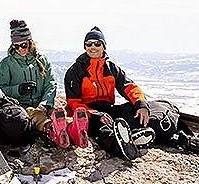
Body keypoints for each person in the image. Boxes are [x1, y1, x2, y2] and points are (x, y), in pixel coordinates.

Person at [63, 26, 155, 161]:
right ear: (84, 47)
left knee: (133, 110)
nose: (92, 47)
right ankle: (120, 146)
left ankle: (131, 137)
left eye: (97, 43)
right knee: (102, 128)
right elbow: (73, 103)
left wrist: (141, 104)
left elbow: (129, 87)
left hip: (108, 109)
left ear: (103, 46)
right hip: (88, 114)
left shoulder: (111, 68)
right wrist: (96, 114)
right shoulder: (75, 71)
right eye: (88, 44)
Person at [0, 19, 74, 148]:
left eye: (23, 45)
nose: (20, 49)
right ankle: (51, 130)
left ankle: (72, 129)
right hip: (21, 105)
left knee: (57, 112)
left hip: (43, 102)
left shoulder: (42, 60)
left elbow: (51, 83)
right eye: (16, 46)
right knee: (35, 114)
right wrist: (18, 89)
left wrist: (45, 103)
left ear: (30, 42)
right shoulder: (7, 64)